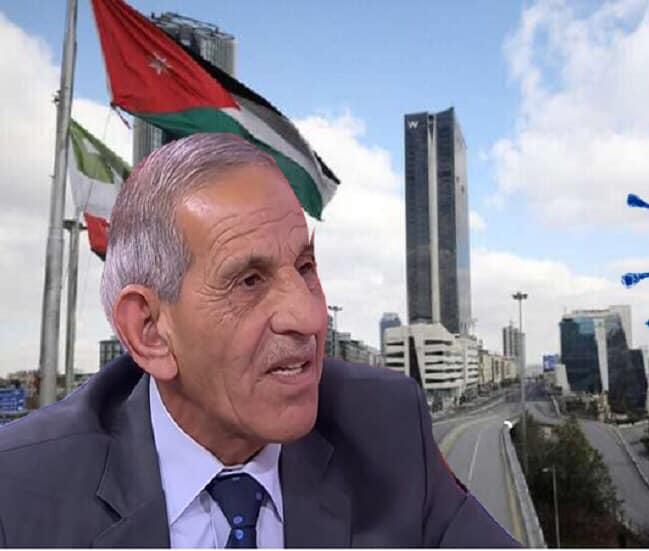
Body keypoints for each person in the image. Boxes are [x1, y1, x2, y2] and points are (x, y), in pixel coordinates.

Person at [0, 133, 520, 548]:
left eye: (305, 267)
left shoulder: (385, 426)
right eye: (249, 281)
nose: (310, 316)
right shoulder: (18, 492)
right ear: (150, 331)